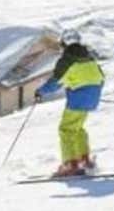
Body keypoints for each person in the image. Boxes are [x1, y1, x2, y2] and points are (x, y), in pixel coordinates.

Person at [36, 29, 105, 177]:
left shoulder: (67, 59)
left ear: (63, 44)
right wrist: (93, 92)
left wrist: (40, 92)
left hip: (78, 98)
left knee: (66, 129)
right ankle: (84, 160)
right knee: (77, 128)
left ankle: (70, 164)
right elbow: (100, 77)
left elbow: (56, 82)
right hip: (92, 95)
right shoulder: (89, 58)